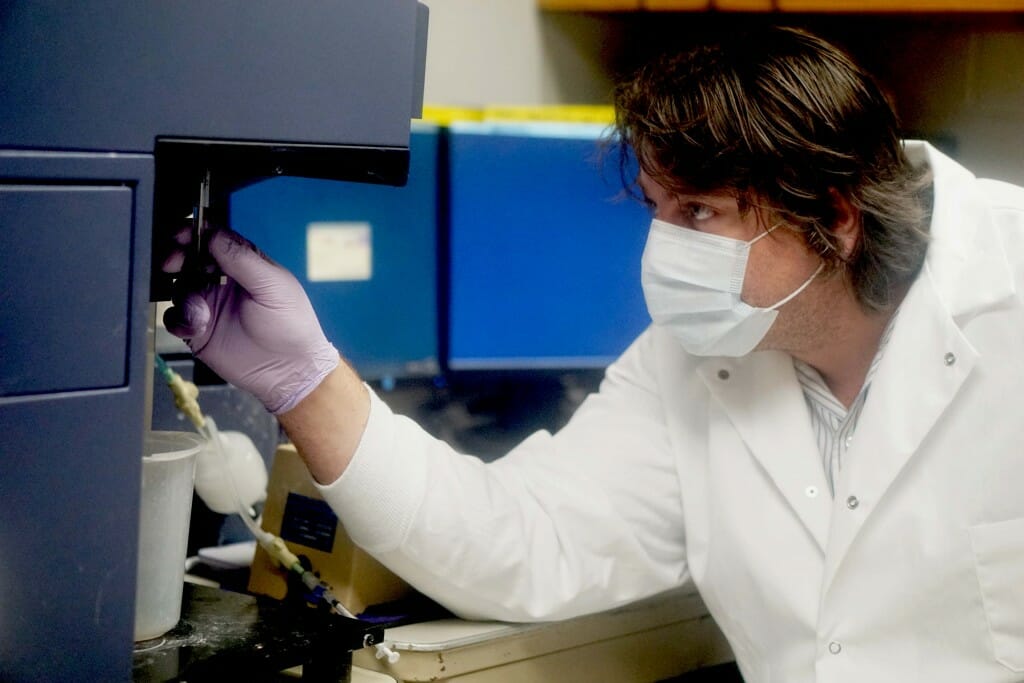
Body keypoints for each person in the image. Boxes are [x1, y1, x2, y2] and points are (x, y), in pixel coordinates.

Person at [163, 26, 1024, 683]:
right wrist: (305, 378)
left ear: (834, 216)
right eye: (655, 206)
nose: (664, 247)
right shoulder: (696, 358)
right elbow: (525, 541)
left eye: (698, 214)